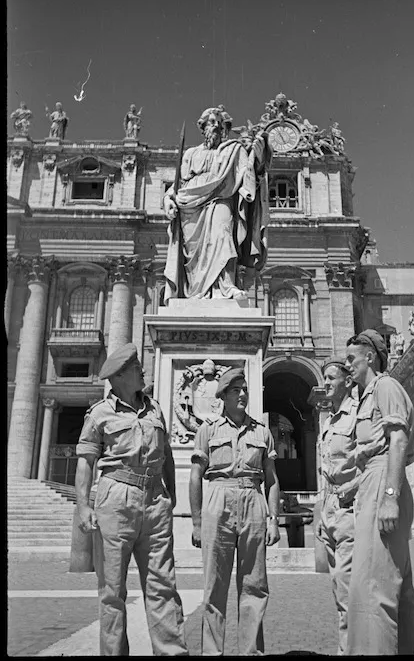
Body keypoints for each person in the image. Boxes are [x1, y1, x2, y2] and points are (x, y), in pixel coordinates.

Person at [75, 343, 188, 656]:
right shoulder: (99, 413)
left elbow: (165, 455)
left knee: (163, 584)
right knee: (112, 590)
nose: (143, 371)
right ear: (120, 375)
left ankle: (172, 652)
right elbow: (86, 459)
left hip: (155, 499)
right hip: (116, 499)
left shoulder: (155, 409)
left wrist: (172, 494)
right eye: (137, 367)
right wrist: (83, 505)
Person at [189, 367, 280, 656]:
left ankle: (251, 652)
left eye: (244, 390)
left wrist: (273, 520)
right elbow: (195, 476)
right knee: (214, 586)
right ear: (223, 396)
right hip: (218, 498)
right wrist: (196, 522)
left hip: (253, 499)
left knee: (254, 585)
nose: (242, 394)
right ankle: (213, 652)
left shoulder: (262, 432)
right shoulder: (208, 429)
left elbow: (272, 479)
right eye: (235, 390)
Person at [344, 330, 414, 655]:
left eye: (352, 358)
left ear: (370, 357)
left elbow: (399, 442)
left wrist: (389, 495)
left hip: (383, 485)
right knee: (396, 588)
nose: (348, 365)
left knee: (372, 588)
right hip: (373, 482)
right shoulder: (365, 395)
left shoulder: (386, 386)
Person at [163, 105, 272, 302]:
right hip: (191, 207)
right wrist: (168, 200)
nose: (216, 127)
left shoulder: (234, 150)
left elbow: (250, 175)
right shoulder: (190, 154)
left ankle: (226, 286)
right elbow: (178, 185)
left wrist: (259, 157)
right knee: (194, 257)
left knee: (224, 234)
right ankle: (196, 292)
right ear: (203, 127)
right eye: (212, 122)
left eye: (220, 124)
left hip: (222, 200)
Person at [317, 357, 359, 655]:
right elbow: (324, 469)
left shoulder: (359, 415)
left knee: (348, 590)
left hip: (349, 508)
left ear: (348, 380)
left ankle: (351, 650)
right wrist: (321, 511)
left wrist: (351, 489)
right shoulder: (328, 420)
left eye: (331, 377)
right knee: (337, 587)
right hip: (330, 509)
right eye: (324, 378)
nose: (326, 383)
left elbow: (373, 462)